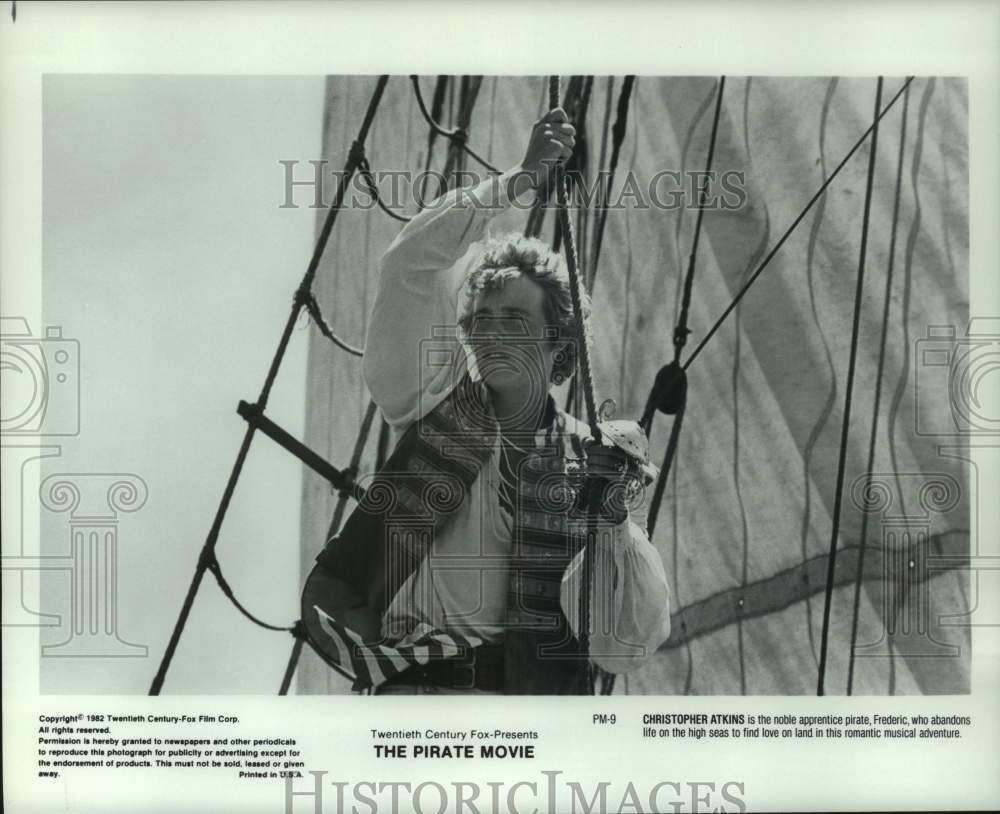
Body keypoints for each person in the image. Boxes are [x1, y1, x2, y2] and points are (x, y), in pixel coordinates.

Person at [314, 108, 671, 695]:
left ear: (558, 342)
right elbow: (407, 266)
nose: (491, 333)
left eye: (514, 318)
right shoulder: (432, 406)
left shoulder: (594, 459)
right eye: (481, 320)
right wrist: (517, 182)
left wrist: (608, 522)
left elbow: (622, 645)